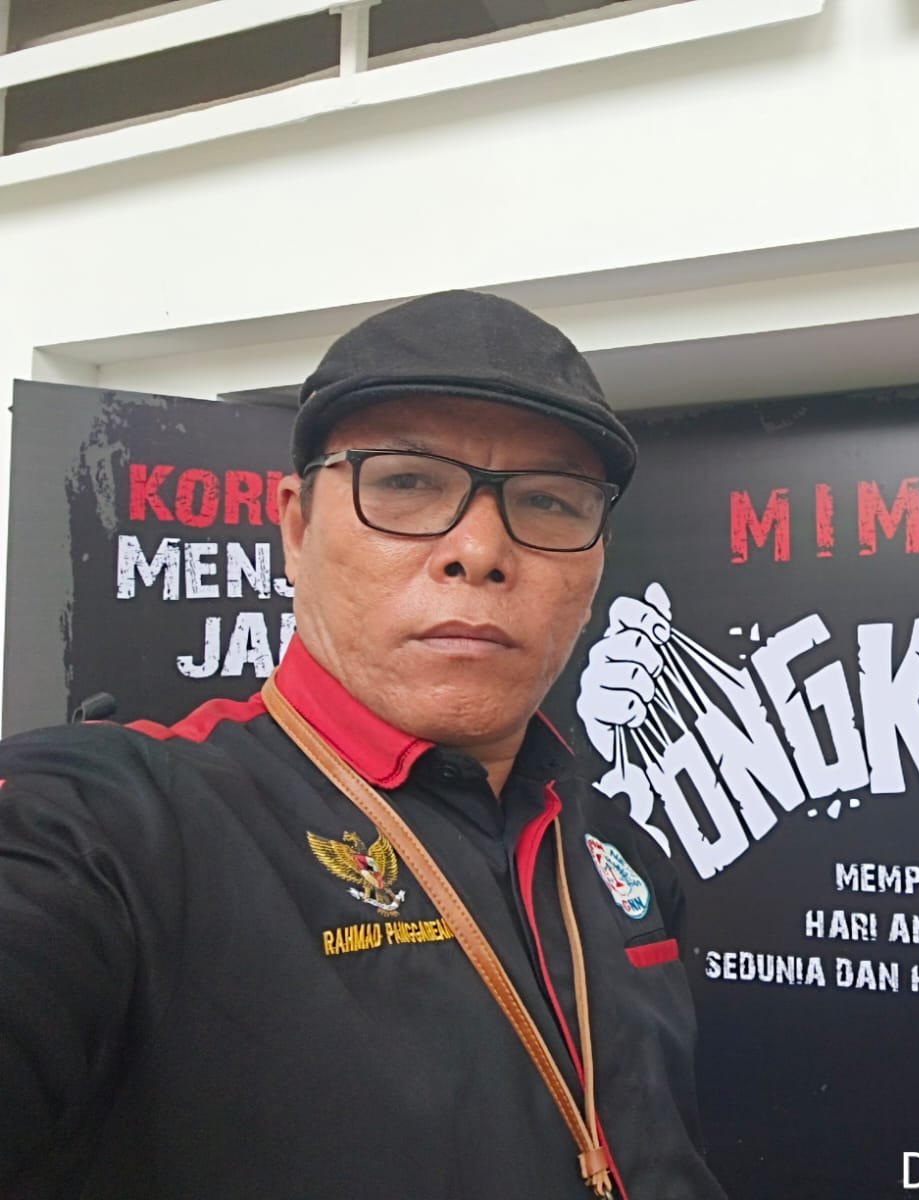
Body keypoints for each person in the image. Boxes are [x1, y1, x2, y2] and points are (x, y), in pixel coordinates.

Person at [0, 291, 727, 1200]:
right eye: (407, 482)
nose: (479, 549)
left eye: (548, 500)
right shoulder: (110, 830)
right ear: (297, 529)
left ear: (594, 567)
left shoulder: (617, 851)